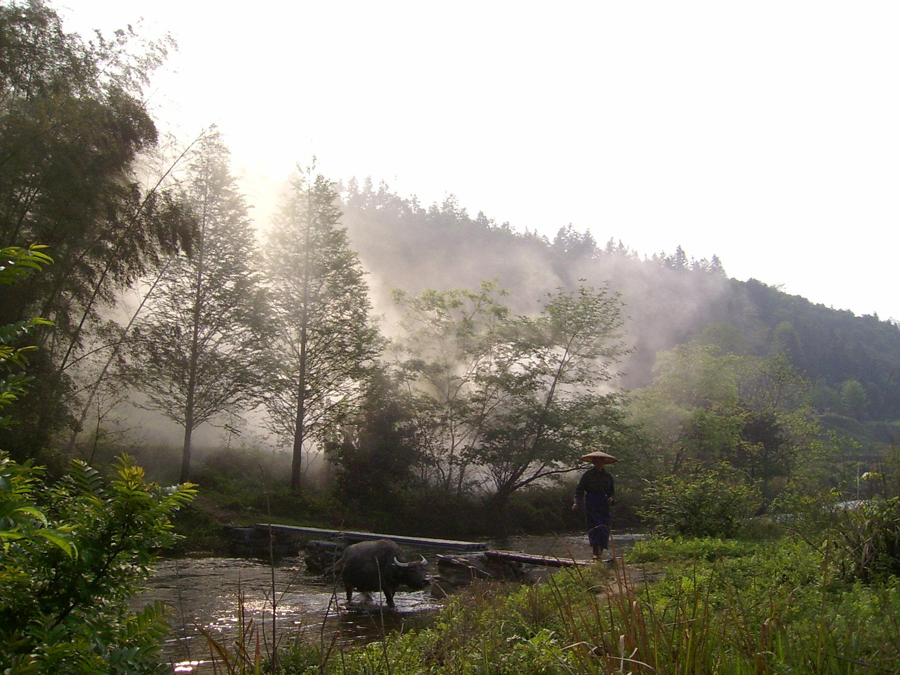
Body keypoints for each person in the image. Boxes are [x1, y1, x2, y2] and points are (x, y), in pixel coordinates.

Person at [572, 450, 617, 560]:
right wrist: (577, 502)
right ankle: (595, 551)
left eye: (601, 462)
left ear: (604, 463)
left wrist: (611, 499)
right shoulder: (587, 475)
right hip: (591, 502)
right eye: (597, 462)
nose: (599, 464)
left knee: (604, 527)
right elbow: (579, 491)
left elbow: (612, 492)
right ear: (594, 463)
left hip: (604, 503)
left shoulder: (608, 476)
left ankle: (600, 551)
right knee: (594, 526)